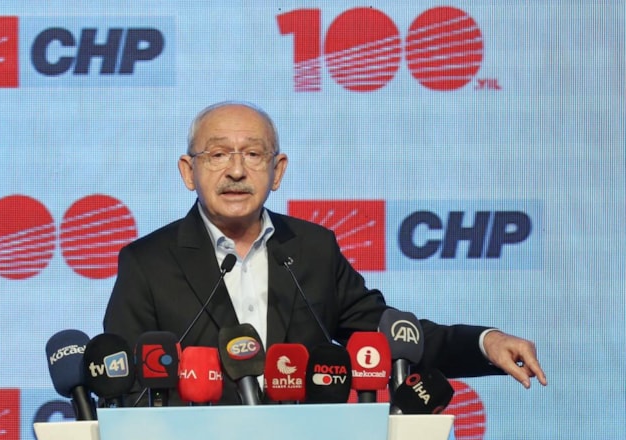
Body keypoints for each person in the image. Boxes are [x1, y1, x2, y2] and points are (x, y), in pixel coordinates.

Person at [103, 101, 547, 405]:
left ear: (277, 171)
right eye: (218, 154)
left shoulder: (312, 249)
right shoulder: (148, 262)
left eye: (253, 154)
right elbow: (126, 388)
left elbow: (389, 334)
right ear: (189, 171)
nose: (236, 170)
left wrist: (484, 343)